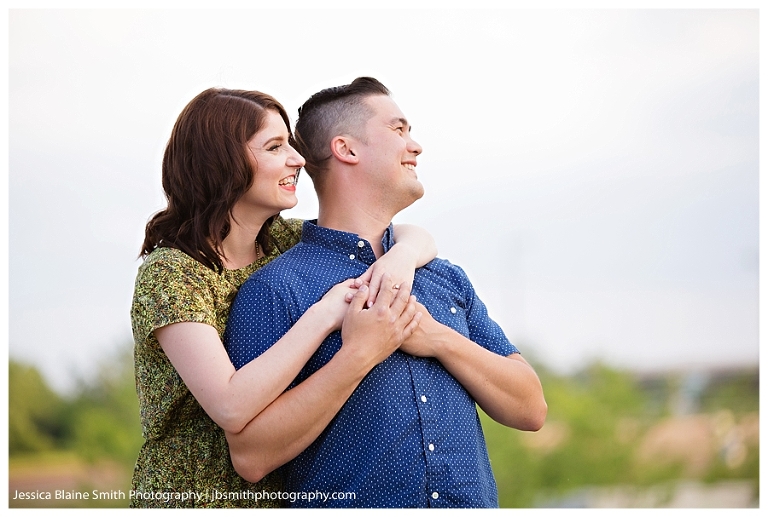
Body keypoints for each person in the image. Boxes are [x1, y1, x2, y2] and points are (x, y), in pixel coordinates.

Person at [224, 77, 548, 508]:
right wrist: (357, 356)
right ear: (347, 149)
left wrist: (438, 340)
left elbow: (531, 409)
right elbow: (250, 456)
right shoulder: (275, 289)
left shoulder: (444, 278)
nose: (415, 146)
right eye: (398, 130)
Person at [130, 87, 438, 508]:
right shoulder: (172, 272)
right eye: (275, 147)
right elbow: (231, 405)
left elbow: (409, 234)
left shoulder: (284, 244)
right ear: (221, 161)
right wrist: (323, 315)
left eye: (290, 144)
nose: (297, 159)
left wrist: (400, 259)